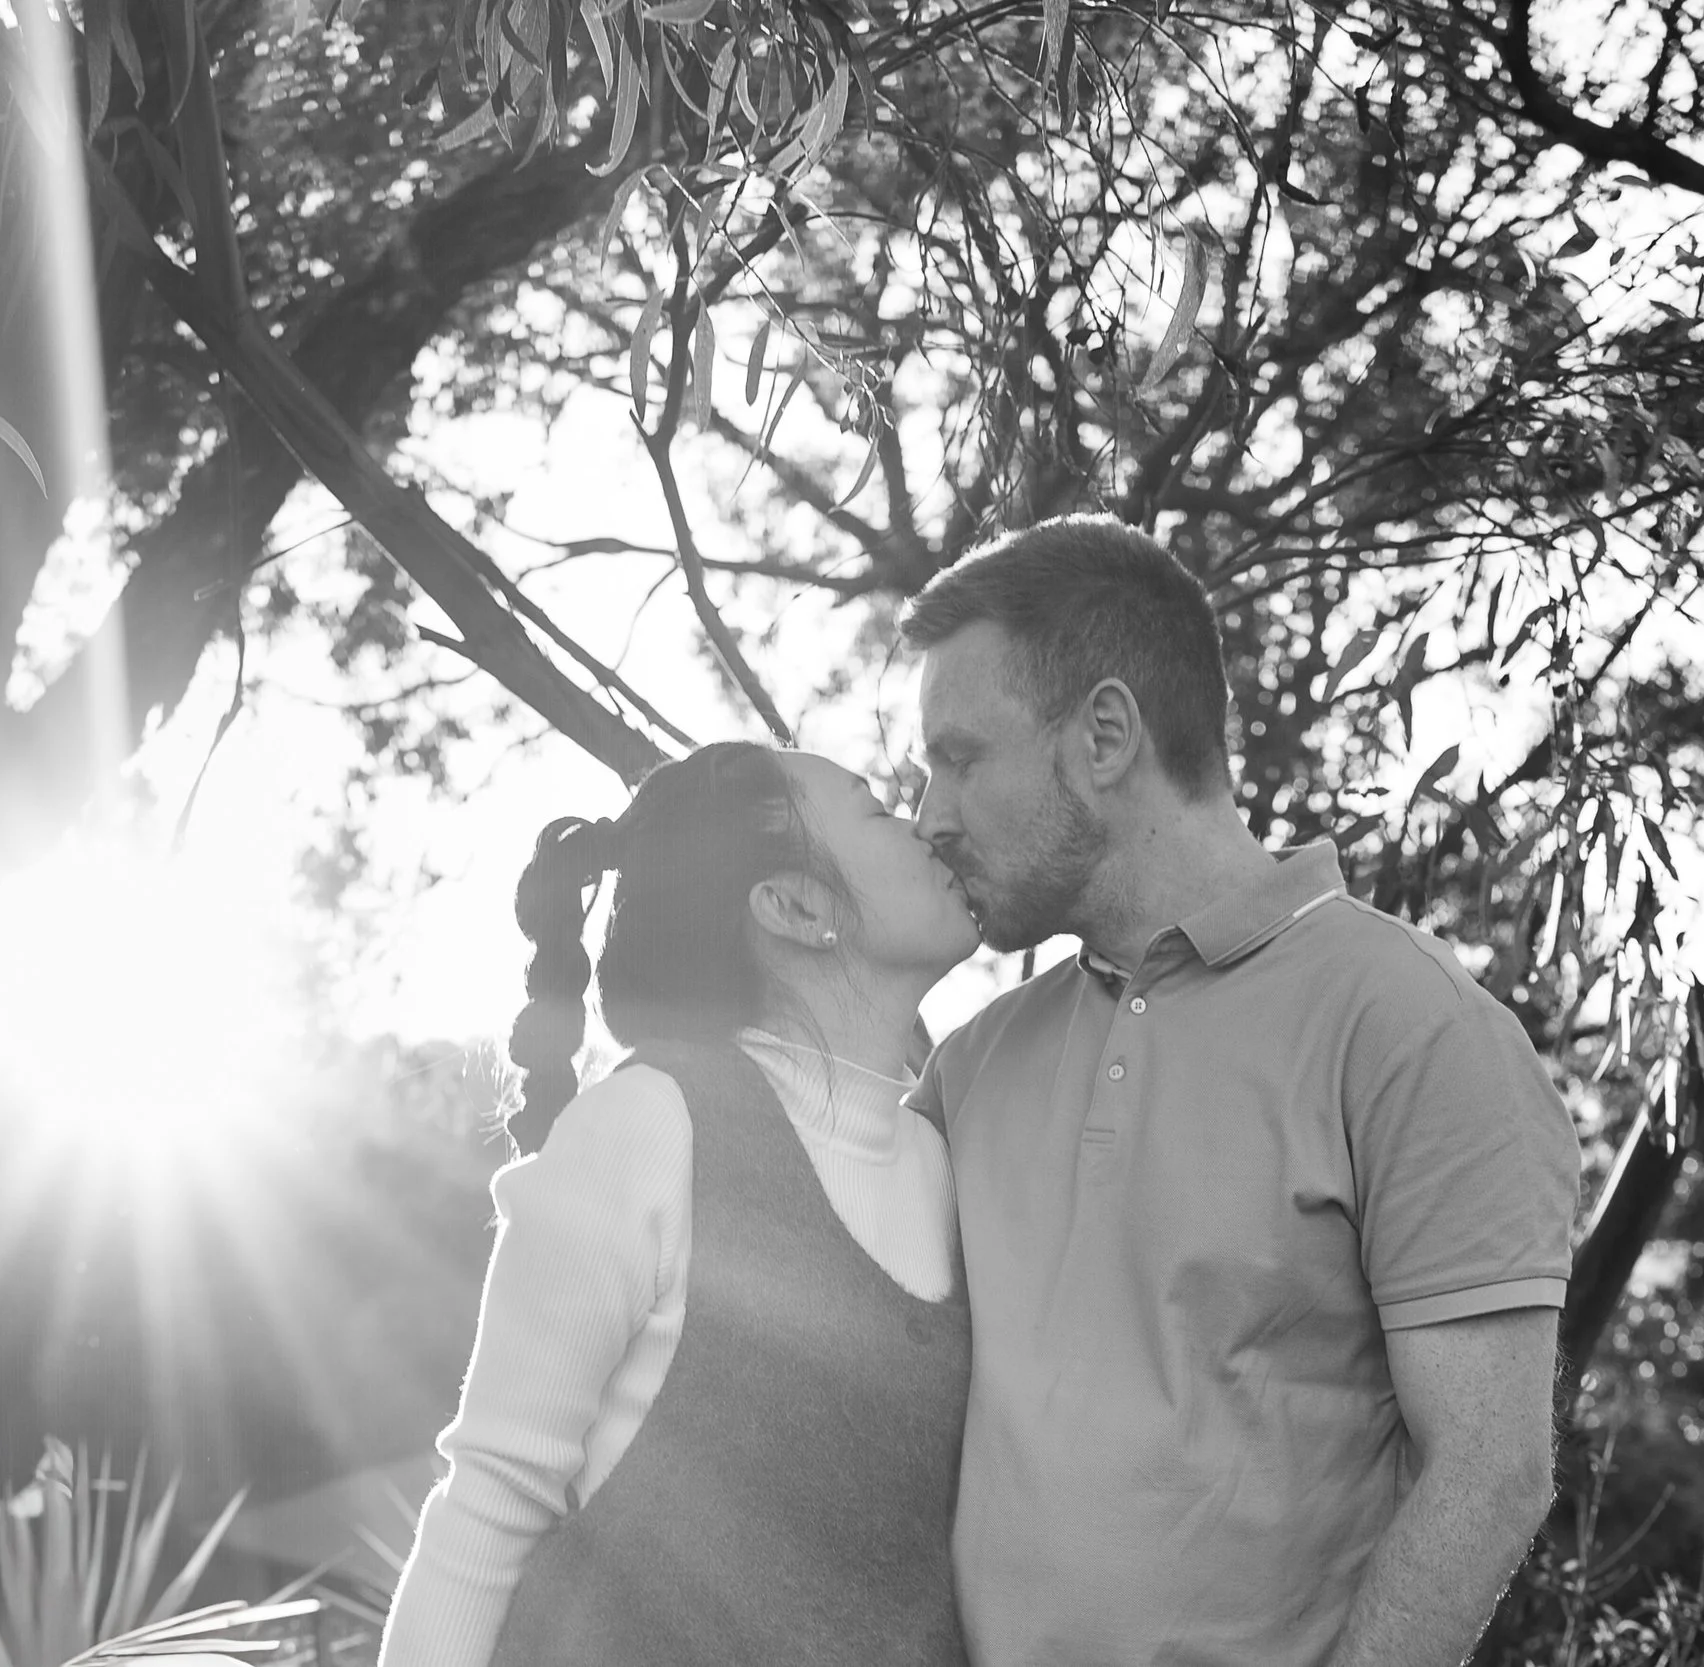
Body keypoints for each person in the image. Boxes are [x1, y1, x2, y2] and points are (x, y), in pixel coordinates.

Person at [902, 516, 1579, 1667]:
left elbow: (1491, 1467)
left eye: (959, 757)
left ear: (1104, 735)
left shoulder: (1411, 1027)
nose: (929, 812)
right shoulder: (970, 1063)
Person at [377, 740, 980, 1667]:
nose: (927, 826)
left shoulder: (945, 1159)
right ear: (796, 906)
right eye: (876, 810)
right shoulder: (648, 1127)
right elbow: (488, 1507)